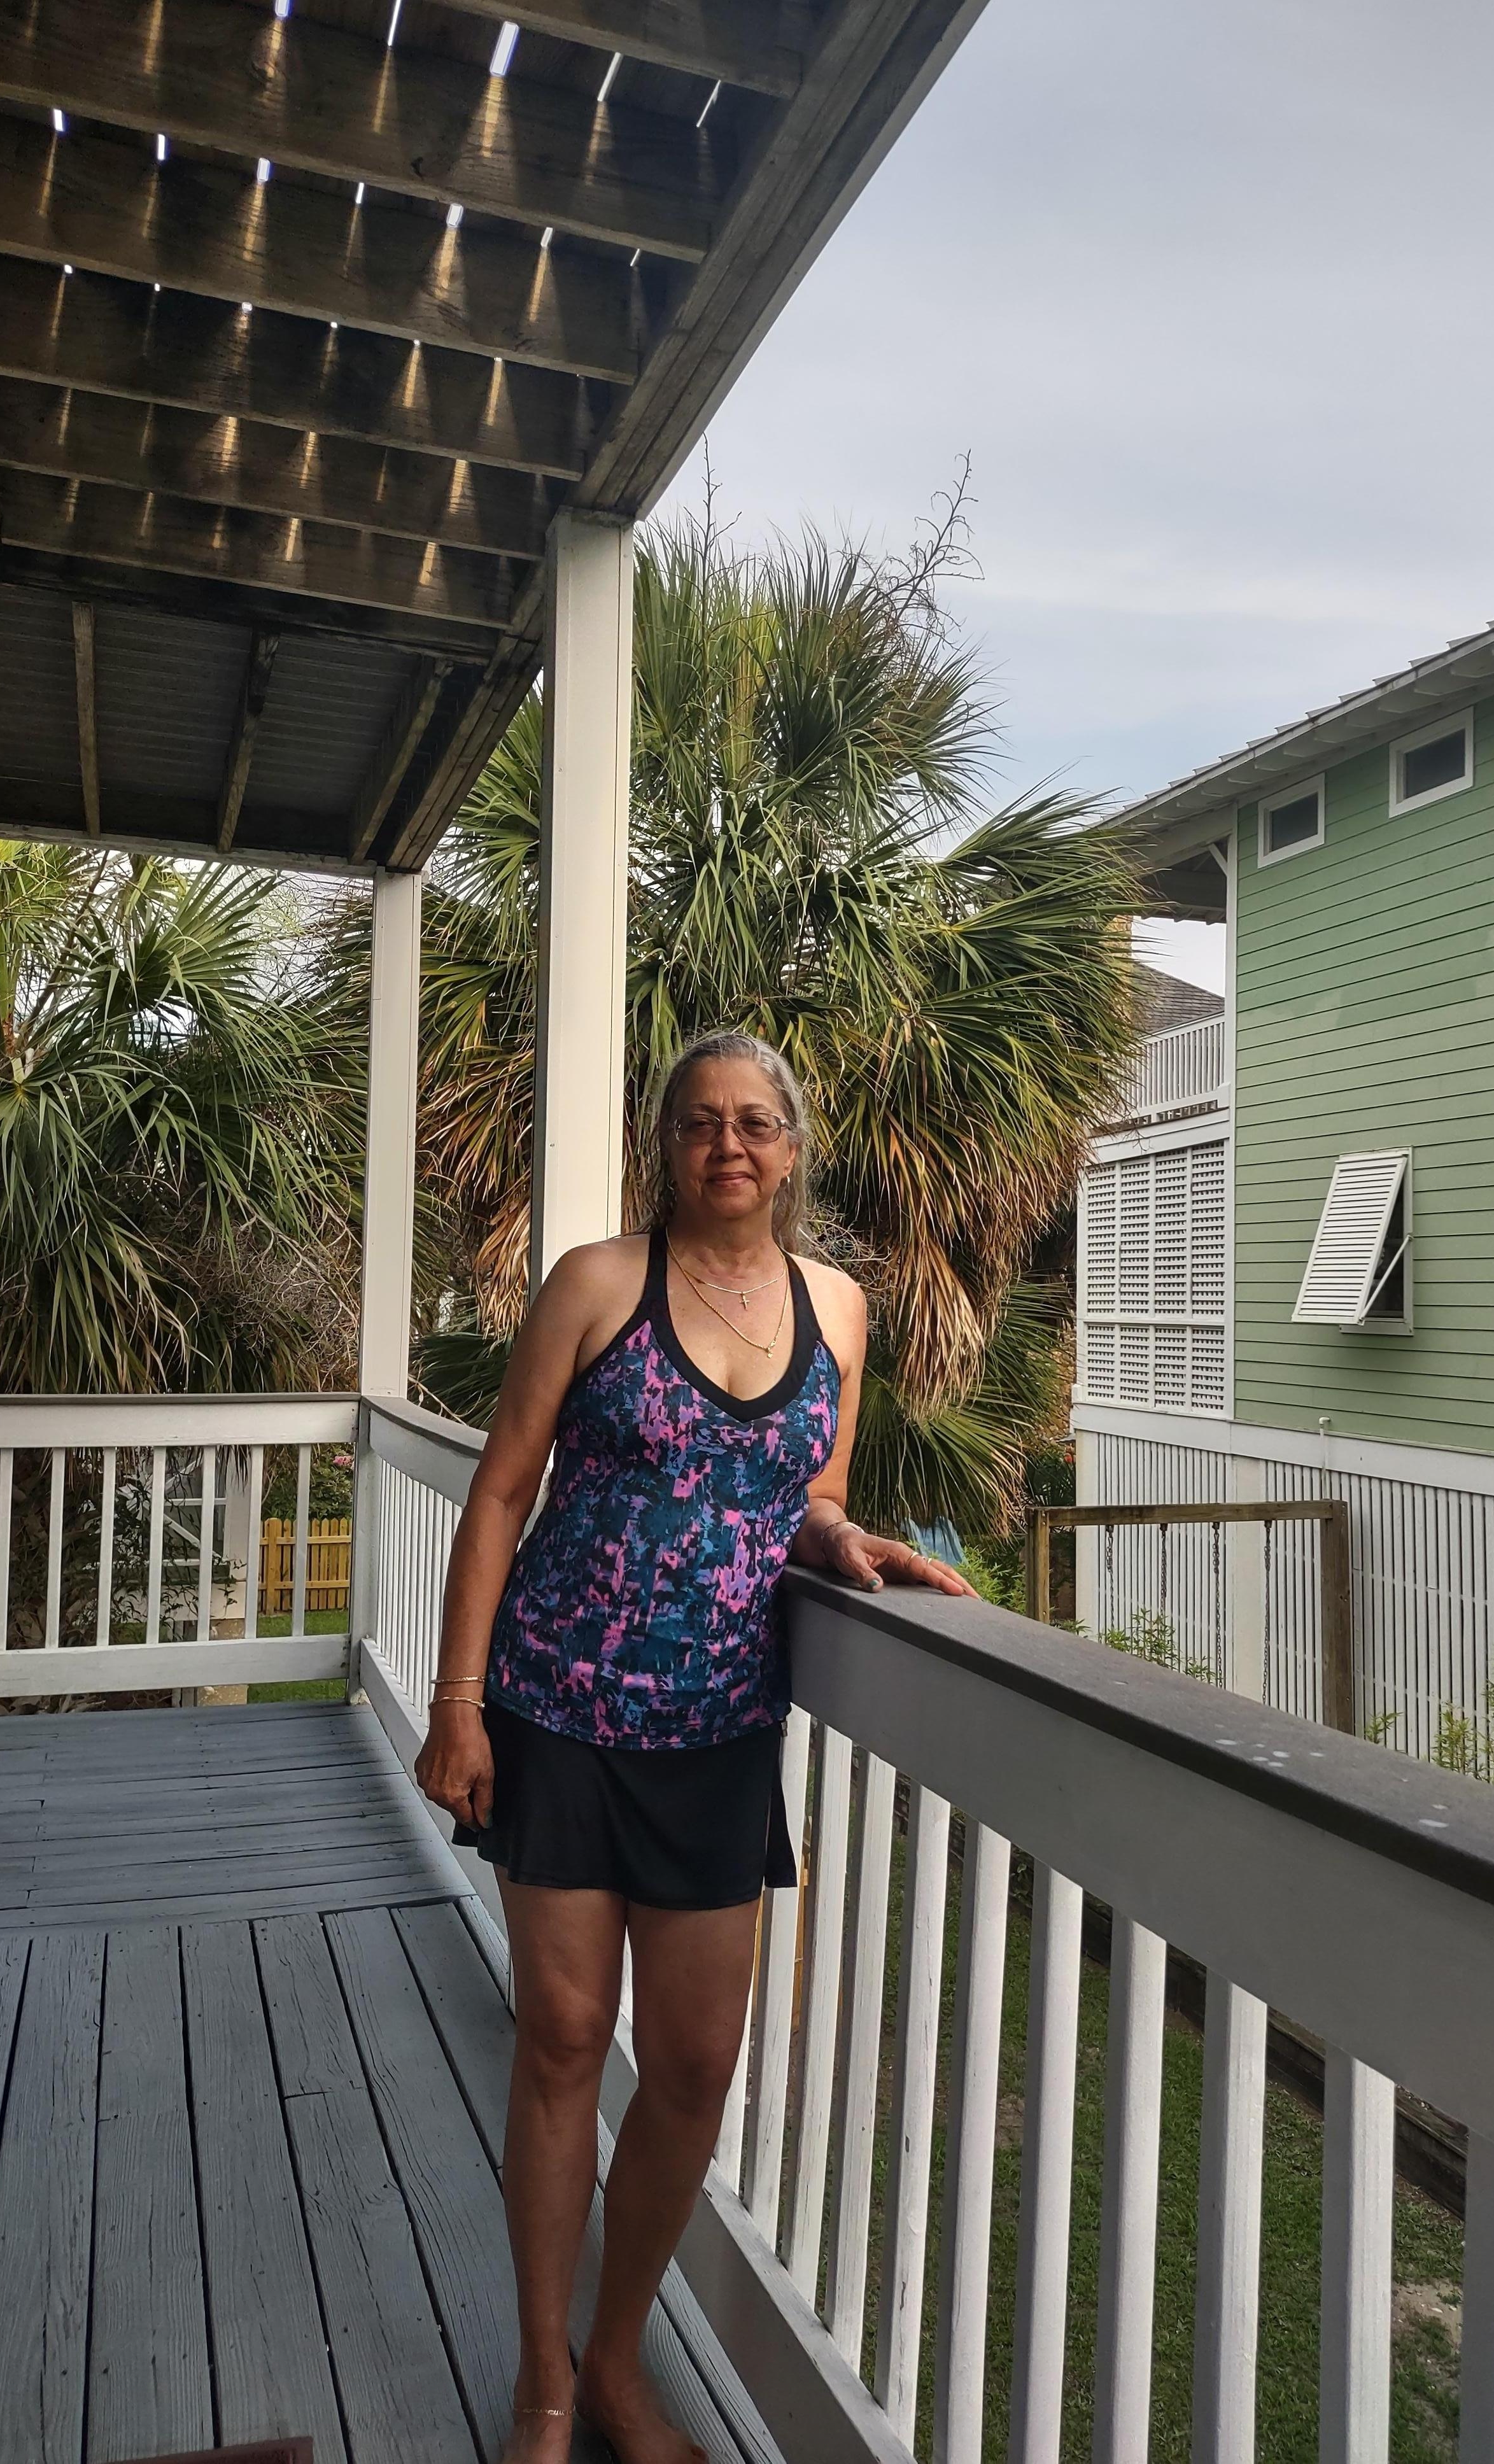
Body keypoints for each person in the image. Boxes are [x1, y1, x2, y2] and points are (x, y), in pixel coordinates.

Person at [415, 1029, 974, 2464]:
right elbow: (499, 1497)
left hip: (721, 1728)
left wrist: (846, 1537)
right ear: (665, 1144)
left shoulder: (839, 1306)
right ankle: (544, 2381)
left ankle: (617, 2357)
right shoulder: (599, 1283)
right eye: (700, 1122)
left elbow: (806, 1489)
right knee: (561, 2041)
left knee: (693, 2065)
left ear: (793, 1148)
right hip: (555, 1711)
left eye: (756, 1124)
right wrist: (459, 1700)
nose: (729, 1144)